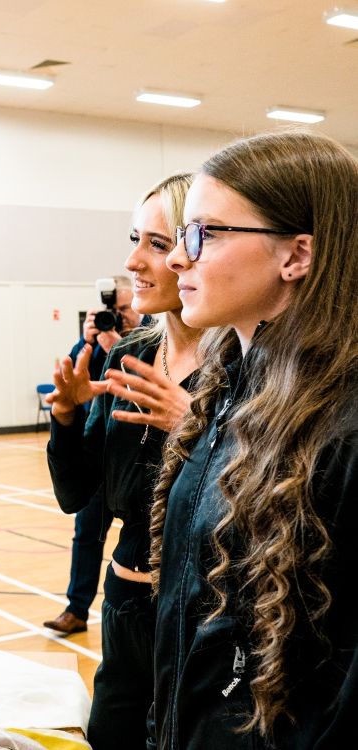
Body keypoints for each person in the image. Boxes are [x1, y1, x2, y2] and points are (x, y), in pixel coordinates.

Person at [147, 130, 358, 749]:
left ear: (296, 255)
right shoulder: (227, 396)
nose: (176, 260)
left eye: (205, 234)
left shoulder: (342, 430)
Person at [45, 174, 200, 750]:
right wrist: (64, 420)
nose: (133, 261)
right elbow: (76, 494)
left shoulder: (241, 364)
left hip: (194, 613)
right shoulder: (130, 354)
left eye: (156, 245)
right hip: (124, 603)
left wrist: (196, 428)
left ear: (195, 251)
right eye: (136, 238)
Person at [43, 277, 142, 636]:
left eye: (125, 310)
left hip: (135, 460)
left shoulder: (151, 342)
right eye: (112, 312)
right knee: (86, 533)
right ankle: (76, 609)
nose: (118, 317)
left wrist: (122, 346)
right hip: (98, 452)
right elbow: (73, 374)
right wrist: (87, 341)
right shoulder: (96, 341)